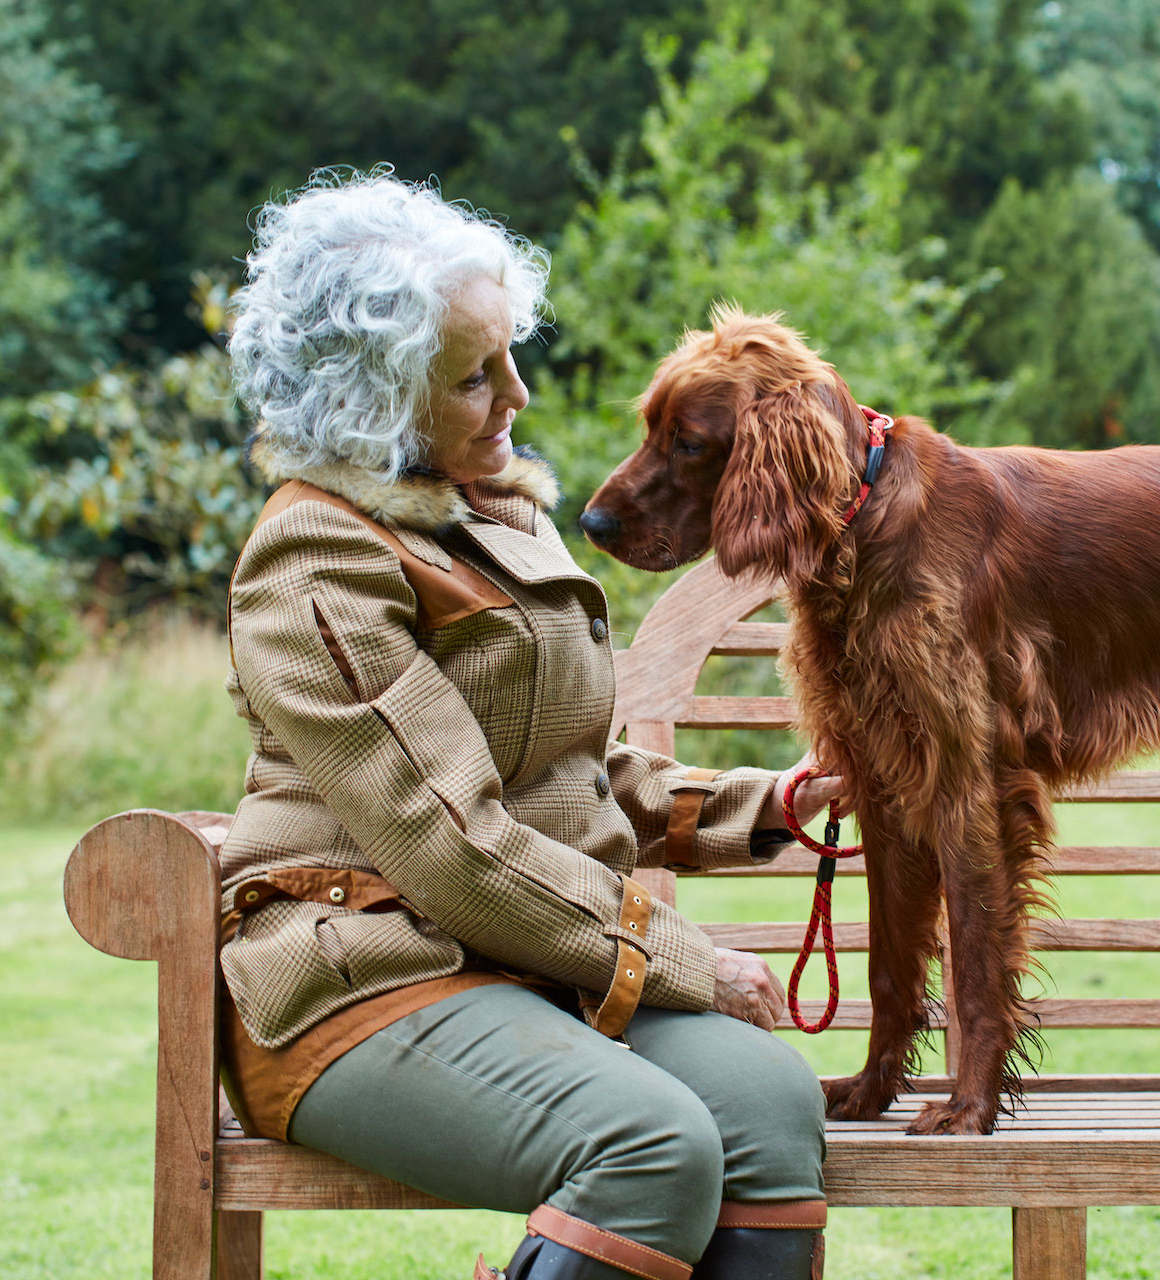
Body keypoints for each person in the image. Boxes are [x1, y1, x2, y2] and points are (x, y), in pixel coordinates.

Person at [217, 168, 836, 1280]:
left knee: (769, 1105)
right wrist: (685, 956)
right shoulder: (316, 560)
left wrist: (775, 804)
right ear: (378, 397)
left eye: (510, 353)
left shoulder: (489, 514)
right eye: (473, 375)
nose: (517, 394)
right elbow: (452, 843)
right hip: (361, 981)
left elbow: (574, 772)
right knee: (650, 1146)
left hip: (520, 964)